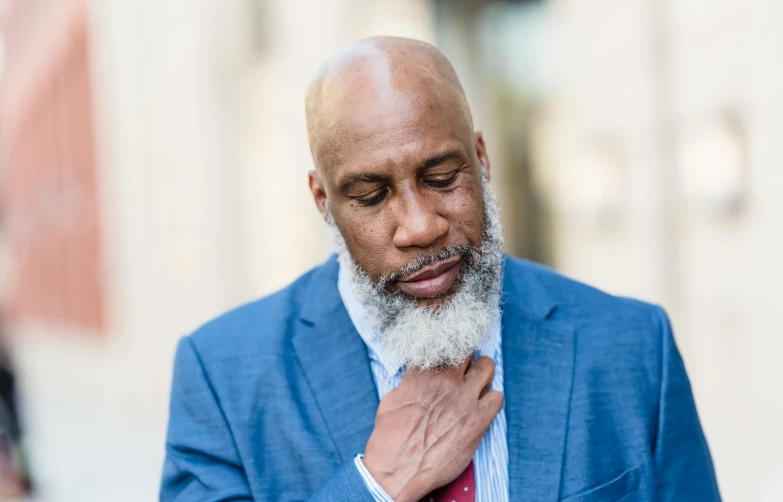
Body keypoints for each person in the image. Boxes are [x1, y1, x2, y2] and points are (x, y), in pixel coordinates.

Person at [160, 36, 720, 502]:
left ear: (481, 159)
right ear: (323, 203)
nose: (420, 226)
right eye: (373, 195)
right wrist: (376, 486)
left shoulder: (632, 347)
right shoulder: (220, 378)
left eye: (441, 177)